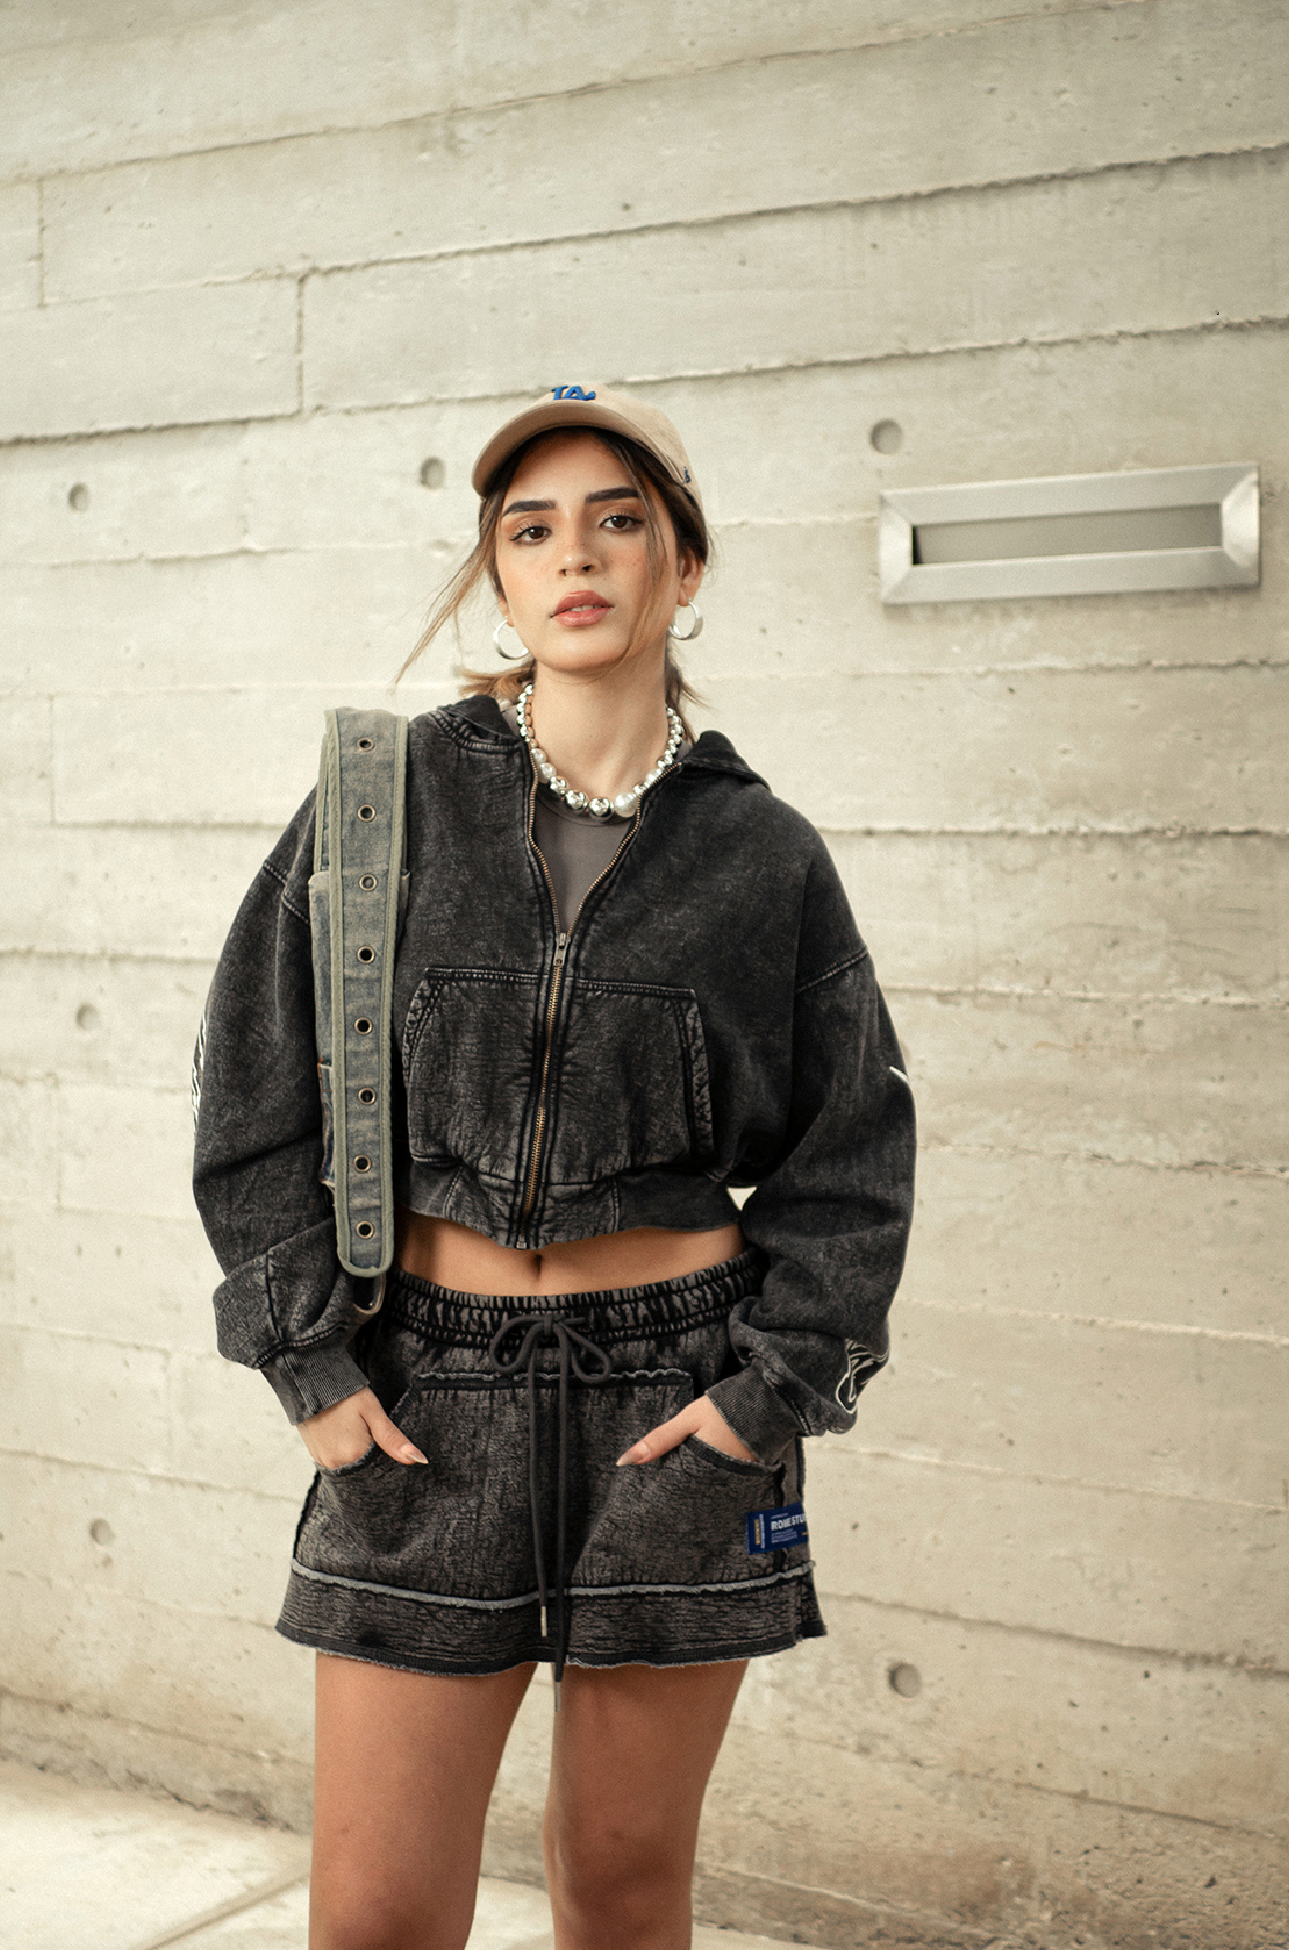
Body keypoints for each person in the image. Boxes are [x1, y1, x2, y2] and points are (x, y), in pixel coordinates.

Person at [192, 385, 915, 1950]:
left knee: (625, 1890)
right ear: (499, 577)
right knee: (377, 1916)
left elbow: (851, 1160)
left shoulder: (766, 855)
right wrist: (308, 1362)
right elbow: (251, 1092)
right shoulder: (385, 800)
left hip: (676, 1407)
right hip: (421, 1401)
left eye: (617, 520)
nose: (573, 555)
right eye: (531, 530)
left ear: (683, 564)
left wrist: (765, 1400)